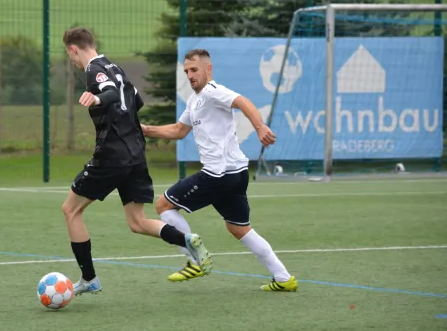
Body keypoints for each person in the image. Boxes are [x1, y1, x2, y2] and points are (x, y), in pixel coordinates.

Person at [61, 28, 213, 296]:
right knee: (137, 222)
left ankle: (88, 278)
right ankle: (186, 240)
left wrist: (97, 97)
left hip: (111, 154)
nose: (71, 59)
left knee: (70, 210)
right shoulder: (115, 67)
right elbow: (136, 100)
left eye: (69, 53)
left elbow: (107, 92)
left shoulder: (94, 69)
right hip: (135, 154)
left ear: (74, 49)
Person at [141, 49, 298, 292]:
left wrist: (259, 127)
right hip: (236, 173)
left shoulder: (213, 91)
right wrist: (146, 130)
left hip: (218, 174)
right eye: (187, 72)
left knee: (163, 204)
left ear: (208, 70)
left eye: (194, 70)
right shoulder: (195, 101)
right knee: (238, 227)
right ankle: (284, 278)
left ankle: (195, 261)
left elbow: (242, 102)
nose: (190, 75)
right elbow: (178, 130)